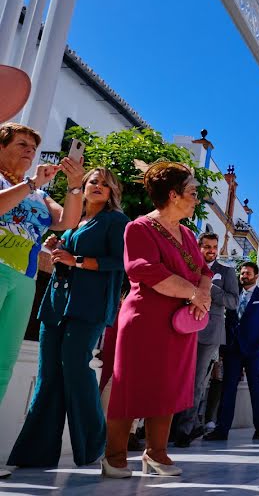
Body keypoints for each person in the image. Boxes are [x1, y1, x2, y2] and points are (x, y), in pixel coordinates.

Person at [7, 168, 127, 468]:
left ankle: (97, 448)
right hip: (57, 304)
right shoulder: (73, 224)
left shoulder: (116, 221)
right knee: (48, 376)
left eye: (105, 183)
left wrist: (79, 261)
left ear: (113, 191)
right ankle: (35, 454)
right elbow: (64, 262)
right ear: (82, 188)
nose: (98, 186)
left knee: (76, 368)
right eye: (92, 182)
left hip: (90, 307)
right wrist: (55, 250)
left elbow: (121, 262)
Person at [102, 162, 213, 478]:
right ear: (174, 195)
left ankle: (156, 453)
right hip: (145, 320)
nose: (196, 199)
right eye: (192, 192)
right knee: (131, 385)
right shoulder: (139, 228)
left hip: (179, 323)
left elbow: (205, 271)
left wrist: (201, 294)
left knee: (168, 386)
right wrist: (194, 293)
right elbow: (144, 270)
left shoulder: (189, 235)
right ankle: (114, 455)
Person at [0, 122, 84, 418]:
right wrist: (31, 184)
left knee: (4, 363)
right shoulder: (21, 184)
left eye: (33, 148)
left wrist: (75, 185)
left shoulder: (39, 195)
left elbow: (68, 220)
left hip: (25, 279)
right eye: (22, 145)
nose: (30, 152)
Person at [172, 232, 239, 447]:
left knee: (197, 382)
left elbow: (233, 302)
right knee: (176, 378)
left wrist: (209, 287)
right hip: (182, 328)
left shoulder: (227, 272)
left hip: (210, 334)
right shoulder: (187, 267)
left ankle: (185, 429)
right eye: (207, 246)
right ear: (198, 247)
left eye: (214, 246)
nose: (211, 250)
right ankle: (170, 426)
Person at [205, 261, 259, 441]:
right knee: (228, 389)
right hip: (232, 349)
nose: (244, 276)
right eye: (242, 273)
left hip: (255, 350)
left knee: (256, 389)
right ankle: (222, 429)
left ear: (256, 276)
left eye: (247, 273)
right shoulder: (234, 295)